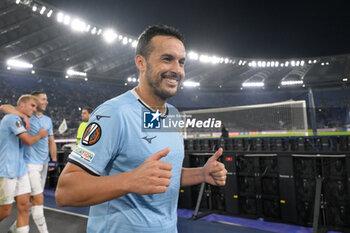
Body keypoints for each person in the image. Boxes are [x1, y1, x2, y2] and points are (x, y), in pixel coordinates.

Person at [55, 25, 227, 233]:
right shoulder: (112, 113)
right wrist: (129, 180)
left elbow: (160, 175)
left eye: (181, 62)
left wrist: (201, 173)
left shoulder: (170, 114)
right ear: (141, 62)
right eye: (167, 59)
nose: (177, 69)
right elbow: (65, 191)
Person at [1, 91, 57, 233]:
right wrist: (38, 132)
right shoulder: (13, 118)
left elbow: (51, 141)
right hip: (14, 168)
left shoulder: (44, 119)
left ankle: (15, 230)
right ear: (23, 104)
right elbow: (4, 107)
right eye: (33, 105)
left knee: (25, 206)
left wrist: (53, 160)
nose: (35, 107)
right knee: (6, 210)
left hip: (24, 169)